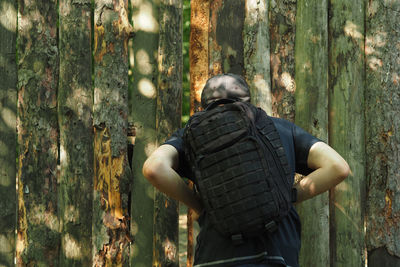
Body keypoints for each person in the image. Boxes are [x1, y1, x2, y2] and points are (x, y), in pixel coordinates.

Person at [143, 73, 350, 267]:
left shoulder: (190, 136)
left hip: (216, 255)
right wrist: (289, 196)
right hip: (277, 253)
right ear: (248, 101)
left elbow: (154, 168)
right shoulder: (280, 129)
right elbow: (337, 167)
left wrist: (198, 205)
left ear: (204, 106)